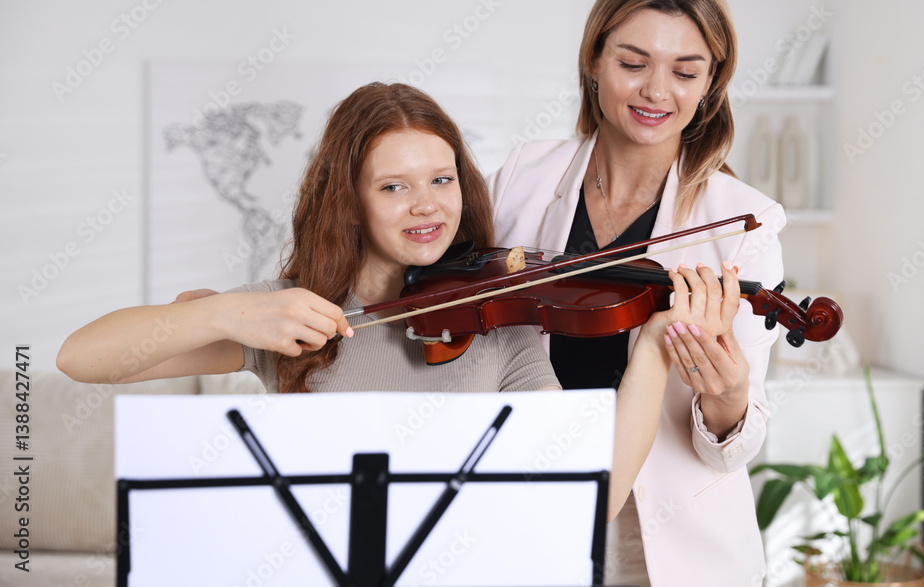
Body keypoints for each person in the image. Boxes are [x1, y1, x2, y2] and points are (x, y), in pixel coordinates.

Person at [57, 80, 676, 521]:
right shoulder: (288, 317)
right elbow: (80, 358)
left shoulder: (496, 321)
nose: (427, 204)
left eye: (441, 179)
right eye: (393, 186)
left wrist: (653, 350)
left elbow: (595, 494)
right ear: (349, 200)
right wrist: (220, 310)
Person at [490, 0, 786, 586]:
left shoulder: (744, 223)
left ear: (711, 84)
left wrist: (727, 396)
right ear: (593, 61)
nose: (657, 91)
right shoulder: (521, 176)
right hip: (529, 501)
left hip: (662, 543)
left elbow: (733, 447)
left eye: (685, 72)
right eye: (632, 63)